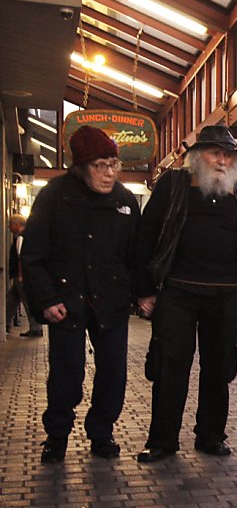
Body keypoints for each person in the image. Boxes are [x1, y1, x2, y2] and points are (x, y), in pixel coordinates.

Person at [134, 124, 237, 463]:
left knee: (219, 369)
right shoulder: (173, 186)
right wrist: (145, 290)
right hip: (177, 291)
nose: (222, 160)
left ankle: (210, 436)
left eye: (228, 155)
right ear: (197, 157)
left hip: (228, 294)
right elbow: (146, 236)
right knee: (170, 367)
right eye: (215, 153)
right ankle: (163, 441)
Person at [21, 126, 140, 462]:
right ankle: (57, 435)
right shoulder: (54, 195)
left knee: (113, 373)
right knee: (66, 373)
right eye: (100, 165)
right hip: (65, 301)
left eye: (114, 164)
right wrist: (46, 300)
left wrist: (140, 294)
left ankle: (101, 433)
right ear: (81, 166)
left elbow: (136, 256)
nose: (109, 173)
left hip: (111, 302)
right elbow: (32, 255)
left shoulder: (125, 201)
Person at [7, 215, 44, 337]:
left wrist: (21, 275)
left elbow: (21, 257)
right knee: (11, 300)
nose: (8, 227)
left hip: (21, 277)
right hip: (20, 277)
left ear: (17, 224)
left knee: (28, 302)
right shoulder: (26, 236)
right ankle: (5, 323)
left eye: (10, 224)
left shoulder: (21, 238)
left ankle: (36, 327)